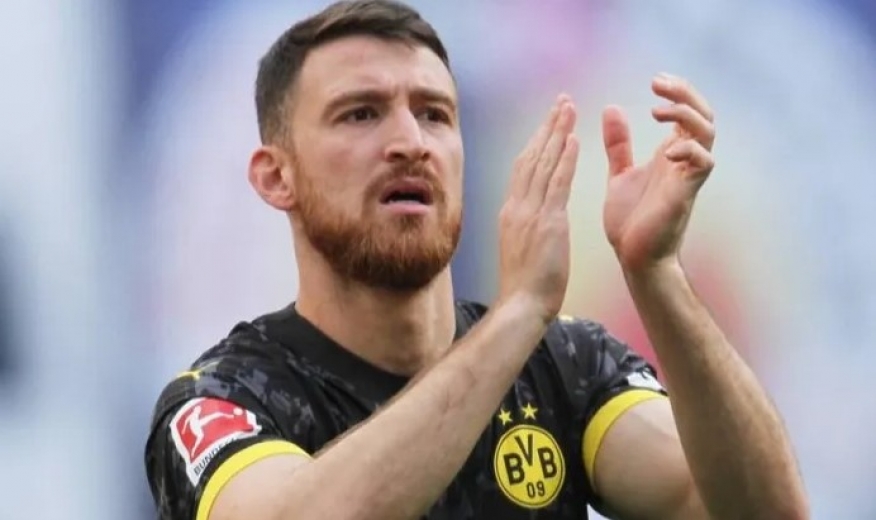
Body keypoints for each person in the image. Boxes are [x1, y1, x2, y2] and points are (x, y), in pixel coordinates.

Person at [143, 1, 809, 518]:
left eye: (434, 114)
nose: (410, 141)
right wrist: (519, 313)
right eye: (361, 114)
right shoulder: (223, 398)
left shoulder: (566, 367)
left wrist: (658, 275)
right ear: (275, 176)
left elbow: (762, 513)